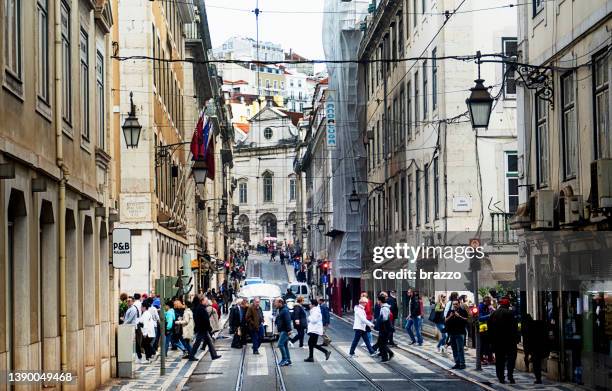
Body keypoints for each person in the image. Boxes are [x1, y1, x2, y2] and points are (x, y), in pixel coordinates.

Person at [488, 297, 519, 384]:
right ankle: (510, 376)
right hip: (510, 341)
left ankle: (501, 377)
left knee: (499, 360)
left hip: (497, 342)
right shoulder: (510, 313)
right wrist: (516, 339)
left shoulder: (493, 314)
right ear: (507, 305)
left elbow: (489, 329)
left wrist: (491, 342)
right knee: (511, 359)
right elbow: (514, 327)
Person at [188, 295, 222, 361]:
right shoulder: (201, 308)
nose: (206, 302)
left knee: (209, 342)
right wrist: (209, 327)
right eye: (205, 301)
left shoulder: (200, 308)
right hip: (202, 328)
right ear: (202, 301)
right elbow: (205, 319)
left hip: (202, 328)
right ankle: (191, 355)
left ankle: (214, 355)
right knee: (198, 342)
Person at [522, 314, 550, 384]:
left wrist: (527, 354)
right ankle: (538, 378)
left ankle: (538, 378)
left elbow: (526, 342)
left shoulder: (527, 328)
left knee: (536, 365)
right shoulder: (539, 323)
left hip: (534, 349)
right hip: (541, 347)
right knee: (538, 363)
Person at [446, 300, 468, 369]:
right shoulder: (450, 312)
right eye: (453, 304)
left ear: (459, 304)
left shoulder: (462, 311)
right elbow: (445, 321)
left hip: (460, 333)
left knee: (460, 349)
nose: (455, 305)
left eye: (456, 304)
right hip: (452, 333)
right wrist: (450, 316)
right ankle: (457, 363)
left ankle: (462, 363)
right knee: (454, 349)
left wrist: (459, 316)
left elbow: (466, 320)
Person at [374, 294, 394, 362]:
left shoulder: (384, 308)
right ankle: (389, 354)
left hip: (385, 328)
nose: (377, 301)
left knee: (382, 343)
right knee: (382, 343)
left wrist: (378, 320)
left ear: (380, 301)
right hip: (384, 328)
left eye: (378, 300)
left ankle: (385, 357)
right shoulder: (384, 307)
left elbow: (385, 319)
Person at [275, 298, 292, 366]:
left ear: (280, 303)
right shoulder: (281, 309)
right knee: (285, 345)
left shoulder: (284, 310)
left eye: (276, 302)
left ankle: (284, 359)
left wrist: (289, 330)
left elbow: (288, 320)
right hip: (283, 330)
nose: (274, 304)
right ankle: (288, 359)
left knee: (280, 344)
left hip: (285, 330)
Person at [478, 296, 495, 365]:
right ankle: (481, 359)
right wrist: (489, 315)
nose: (490, 303)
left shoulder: (488, 307)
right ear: (486, 301)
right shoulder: (481, 307)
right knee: (482, 345)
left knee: (489, 344)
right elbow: (480, 318)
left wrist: (493, 310)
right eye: (489, 301)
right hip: (482, 329)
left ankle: (490, 358)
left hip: (489, 328)